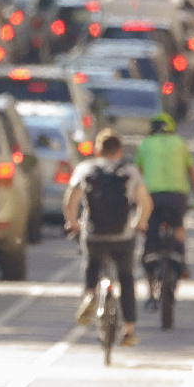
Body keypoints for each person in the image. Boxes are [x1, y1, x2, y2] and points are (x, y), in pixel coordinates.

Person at [65, 130, 152, 347]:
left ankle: (89, 295)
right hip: (123, 236)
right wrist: (139, 223)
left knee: (91, 262)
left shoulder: (85, 169)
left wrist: (73, 223)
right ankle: (129, 330)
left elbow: (70, 201)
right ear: (119, 150)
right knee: (126, 277)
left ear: (97, 150)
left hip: (94, 234)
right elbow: (146, 203)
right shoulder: (129, 171)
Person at [135, 112, 194, 303]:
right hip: (177, 197)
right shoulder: (180, 143)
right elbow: (192, 174)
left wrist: (132, 202)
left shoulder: (145, 144)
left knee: (150, 244)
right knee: (178, 228)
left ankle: (151, 292)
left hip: (151, 197)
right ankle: (181, 262)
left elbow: (136, 177)